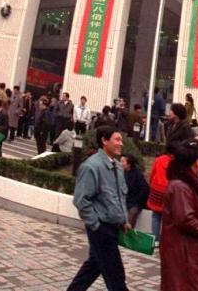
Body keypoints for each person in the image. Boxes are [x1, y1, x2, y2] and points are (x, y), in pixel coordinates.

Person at [68, 125, 131, 291]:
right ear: (104, 141)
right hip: (101, 229)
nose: (121, 143)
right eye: (117, 139)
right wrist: (96, 225)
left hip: (113, 227)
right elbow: (81, 200)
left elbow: (120, 196)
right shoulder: (91, 167)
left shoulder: (118, 166)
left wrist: (124, 219)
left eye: (121, 140)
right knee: (116, 276)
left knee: (93, 266)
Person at [160, 140, 198, 290]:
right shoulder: (180, 186)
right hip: (184, 251)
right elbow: (185, 219)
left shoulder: (185, 183)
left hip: (189, 248)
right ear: (196, 162)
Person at [147, 143, 174, 243]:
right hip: (168, 190)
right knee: (167, 217)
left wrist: (151, 184)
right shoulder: (174, 162)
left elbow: (152, 174)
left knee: (155, 215)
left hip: (156, 189)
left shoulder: (158, 160)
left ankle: (155, 238)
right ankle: (164, 239)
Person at [120, 154, 149, 228]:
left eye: (122, 162)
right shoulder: (122, 173)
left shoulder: (137, 174)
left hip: (135, 202)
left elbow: (144, 189)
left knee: (132, 213)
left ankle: (128, 232)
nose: (120, 164)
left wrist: (137, 202)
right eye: (120, 161)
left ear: (129, 164)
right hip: (124, 200)